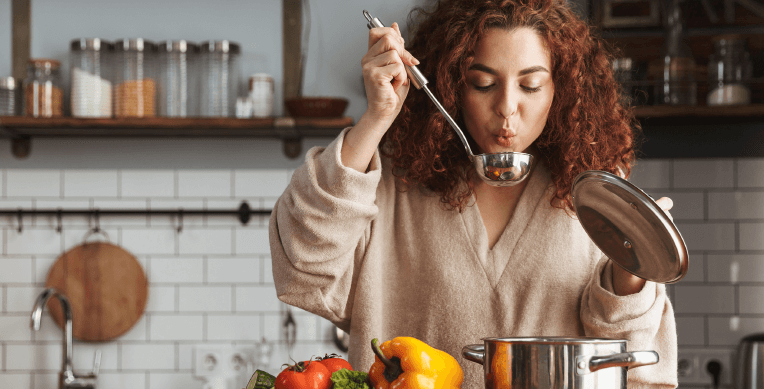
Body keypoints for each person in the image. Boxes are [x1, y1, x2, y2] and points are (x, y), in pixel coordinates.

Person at [269, 0, 678, 388]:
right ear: (451, 86)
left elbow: (634, 362)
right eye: (482, 83)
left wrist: (633, 269)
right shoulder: (391, 180)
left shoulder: (597, 196)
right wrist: (377, 118)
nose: (506, 107)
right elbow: (302, 267)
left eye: (531, 86)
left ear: (562, 90)